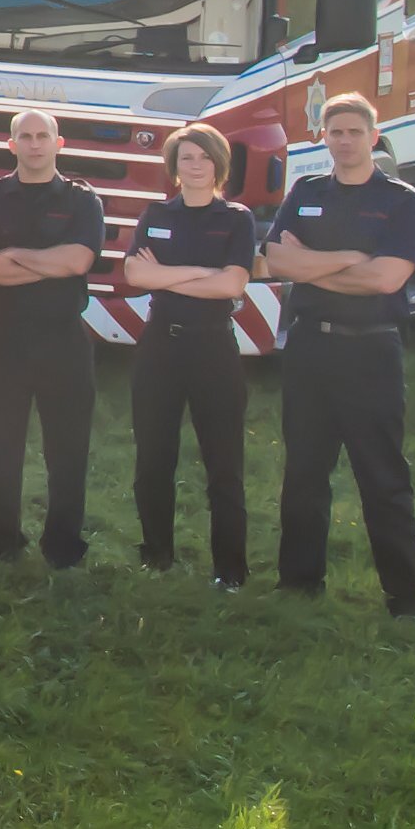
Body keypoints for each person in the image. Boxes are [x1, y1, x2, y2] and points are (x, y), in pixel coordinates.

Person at [262, 93, 415, 615]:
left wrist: (310, 263)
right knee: (304, 473)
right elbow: (275, 262)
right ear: (323, 137)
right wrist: (346, 261)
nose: (344, 140)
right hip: (311, 347)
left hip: (372, 353)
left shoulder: (403, 201)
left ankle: (406, 598)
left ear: (373, 137)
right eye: (334, 131)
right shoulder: (306, 191)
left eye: (354, 131)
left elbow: (388, 278)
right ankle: (298, 585)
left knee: (382, 475)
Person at [0, 108, 106, 568]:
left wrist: (15, 256)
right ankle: (2, 539)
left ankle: (63, 546)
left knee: (68, 447)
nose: (36, 144)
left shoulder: (83, 200)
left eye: (44, 136)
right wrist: (47, 264)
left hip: (63, 337)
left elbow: (78, 262)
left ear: (59, 144)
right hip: (2, 337)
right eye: (26, 136)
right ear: (11, 144)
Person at [122, 121, 257, 588]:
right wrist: (203, 273)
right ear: (173, 167)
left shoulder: (237, 219)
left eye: (203, 157)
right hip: (160, 345)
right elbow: (135, 276)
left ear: (219, 164)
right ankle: (156, 557)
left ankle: (230, 570)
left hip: (212, 346)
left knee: (223, 464)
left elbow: (233, 284)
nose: (195, 166)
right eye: (186, 158)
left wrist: (170, 275)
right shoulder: (155, 215)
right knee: (153, 459)